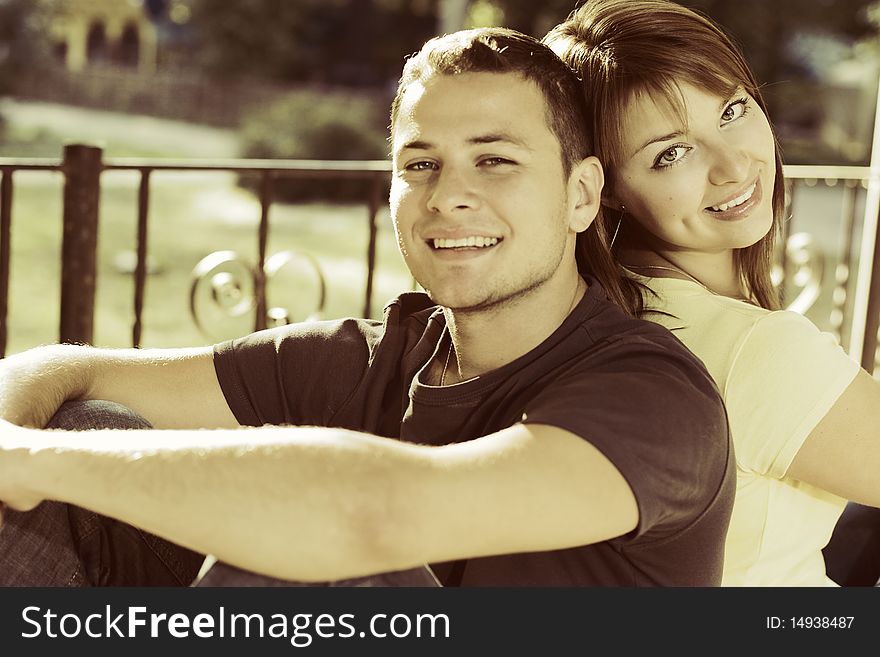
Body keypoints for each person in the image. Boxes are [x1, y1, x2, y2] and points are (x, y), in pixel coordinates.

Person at [0, 27, 734, 588]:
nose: (448, 194)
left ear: (580, 194)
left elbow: (373, 516)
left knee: (312, 560)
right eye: (421, 164)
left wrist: (38, 461)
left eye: (495, 159)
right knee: (91, 427)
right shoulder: (381, 356)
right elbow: (68, 369)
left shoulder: (655, 397)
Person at [544, 0, 880, 586]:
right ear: (605, 187)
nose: (732, 166)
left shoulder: (598, 311)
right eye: (671, 153)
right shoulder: (760, 352)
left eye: (731, 110)